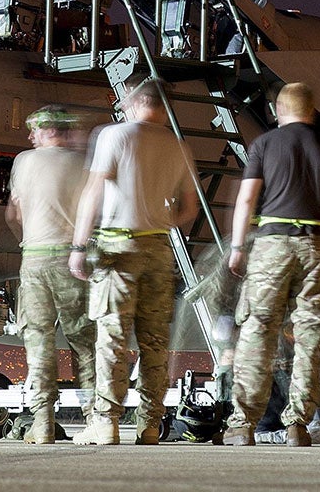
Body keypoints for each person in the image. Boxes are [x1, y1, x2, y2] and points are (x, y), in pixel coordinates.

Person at [220, 81, 320, 446]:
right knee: (310, 337)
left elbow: (247, 199)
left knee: (257, 332)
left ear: (278, 111)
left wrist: (236, 247)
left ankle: (243, 424)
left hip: (272, 245)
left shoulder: (264, 144)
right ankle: (298, 423)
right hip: (316, 243)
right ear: (312, 111)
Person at [67, 77, 197, 445]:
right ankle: (150, 425)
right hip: (158, 249)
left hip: (117, 248)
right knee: (154, 341)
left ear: (139, 101)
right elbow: (188, 208)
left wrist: (79, 245)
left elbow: (94, 190)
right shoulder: (179, 146)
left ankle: (106, 422)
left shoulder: (114, 135)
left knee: (112, 338)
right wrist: (157, 220)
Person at [4, 105, 95, 444]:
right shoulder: (83, 164)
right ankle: (95, 418)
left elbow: (13, 215)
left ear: (47, 130)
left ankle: (42, 423)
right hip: (72, 260)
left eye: (34, 130)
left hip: (35, 260)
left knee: (38, 342)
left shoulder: (24, 161)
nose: (30, 137)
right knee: (84, 341)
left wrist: (27, 243)